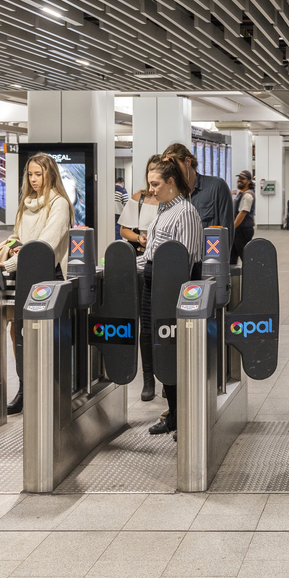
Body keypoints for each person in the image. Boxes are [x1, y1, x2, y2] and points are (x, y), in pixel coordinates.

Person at [0, 153, 74, 415]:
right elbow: (17, 236)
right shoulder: (26, 203)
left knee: (43, 336)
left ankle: (51, 389)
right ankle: (25, 388)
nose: (33, 180)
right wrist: (10, 246)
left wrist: (9, 264)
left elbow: (45, 246)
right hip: (23, 277)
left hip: (48, 278)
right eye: (30, 174)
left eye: (38, 174)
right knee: (18, 334)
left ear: (50, 174)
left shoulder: (59, 204)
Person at [139, 156, 204, 436]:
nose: (151, 189)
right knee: (161, 349)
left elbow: (186, 258)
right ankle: (174, 415)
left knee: (176, 351)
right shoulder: (162, 211)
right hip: (153, 286)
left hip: (171, 290)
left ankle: (184, 416)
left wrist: (176, 295)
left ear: (171, 182)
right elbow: (150, 254)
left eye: (155, 184)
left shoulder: (186, 212)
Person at [118, 157, 163, 401]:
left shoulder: (172, 202)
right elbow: (124, 229)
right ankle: (148, 379)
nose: (152, 180)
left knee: (162, 322)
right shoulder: (139, 198)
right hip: (139, 263)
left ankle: (167, 375)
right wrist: (139, 239)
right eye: (150, 173)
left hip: (162, 265)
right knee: (144, 324)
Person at [161, 142, 234, 237]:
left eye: (175, 167)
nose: (172, 173)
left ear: (188, 162)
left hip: (209, 250)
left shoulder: (216, 187)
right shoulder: (168, 194)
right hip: (178, 251)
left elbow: (227, 231)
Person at [232, 170, 255, 264]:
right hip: (239, 230)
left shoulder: (248, 195)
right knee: (232, 255)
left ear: (249, 181)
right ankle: (233, 277)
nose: (239, 180)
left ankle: (251, 276)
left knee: (245, 256)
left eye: (243, 178)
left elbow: (242, 213)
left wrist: (232, 227)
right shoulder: (241, 193)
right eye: (239, 178)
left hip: (243, 230)